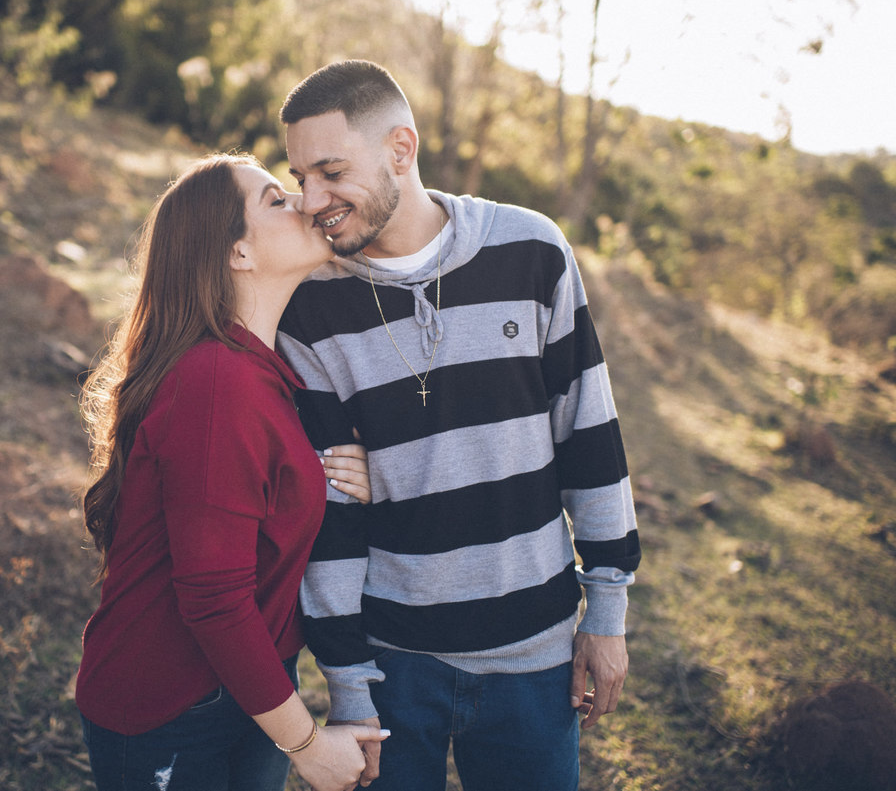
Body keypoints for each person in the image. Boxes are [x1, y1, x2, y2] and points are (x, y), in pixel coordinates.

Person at [274, 60, 642, 790]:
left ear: (400, 150)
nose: (311, 200)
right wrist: (347, 683)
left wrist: (608, 609)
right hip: (392, 661)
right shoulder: (309, 309)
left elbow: (591, 439)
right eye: (299, 176)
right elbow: (334, 518)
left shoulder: (531, 251)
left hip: (534, 654)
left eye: (331, 171)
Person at [74, 153, 391, 791]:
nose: (305, 203)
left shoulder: (261, 371)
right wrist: (307, 745)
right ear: (238, 254)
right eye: (277, 199)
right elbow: (214, 598)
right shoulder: (217, 382)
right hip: (171, 708)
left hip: (247, 690)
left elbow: (253, 496)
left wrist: (331, 475)